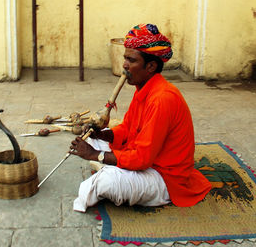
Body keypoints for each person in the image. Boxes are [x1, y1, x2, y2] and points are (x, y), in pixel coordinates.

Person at [70, 23, 211, 212]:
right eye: (125, 58)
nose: (125, 65)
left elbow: (142, 159)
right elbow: (128, 127)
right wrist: (103, 135)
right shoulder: (144, 88)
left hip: (164, 176)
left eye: (131, 60)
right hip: (147, 159)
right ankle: (109, 162)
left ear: (151, 66)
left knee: (105, 183)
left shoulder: (162, 98)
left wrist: (95, 155)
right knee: (94, 142)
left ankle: (109, 167)